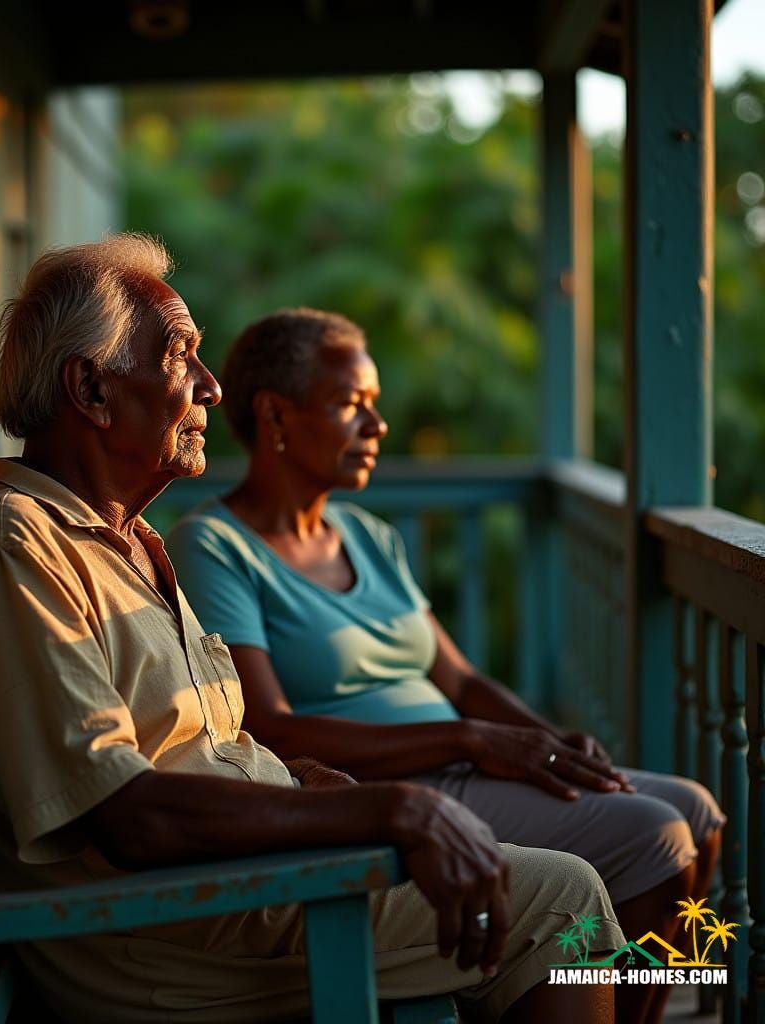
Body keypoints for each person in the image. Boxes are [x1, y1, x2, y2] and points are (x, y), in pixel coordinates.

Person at [0, 238, 620, 1023]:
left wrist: (325, 787)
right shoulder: (13, 553)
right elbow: (126, 814)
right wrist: (387, 811)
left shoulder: (126, 543)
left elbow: (203, 745)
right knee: (564, 906)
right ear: (92, 388)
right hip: (178, 939)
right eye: (182, 357)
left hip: (241, 891)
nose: (212, 389)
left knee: (539, 885)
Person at [166, 307, 725, 1024]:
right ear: (275, 415)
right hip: (387, 788)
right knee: (655, 836)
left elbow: (457, 679)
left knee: (696, 810)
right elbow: (270, 726)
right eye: (351, 405)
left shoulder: (364, 536)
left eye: (374, 404)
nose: (377, 426)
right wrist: (469, 740)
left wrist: (543, 741)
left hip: (466, 765)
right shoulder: (213, 547)